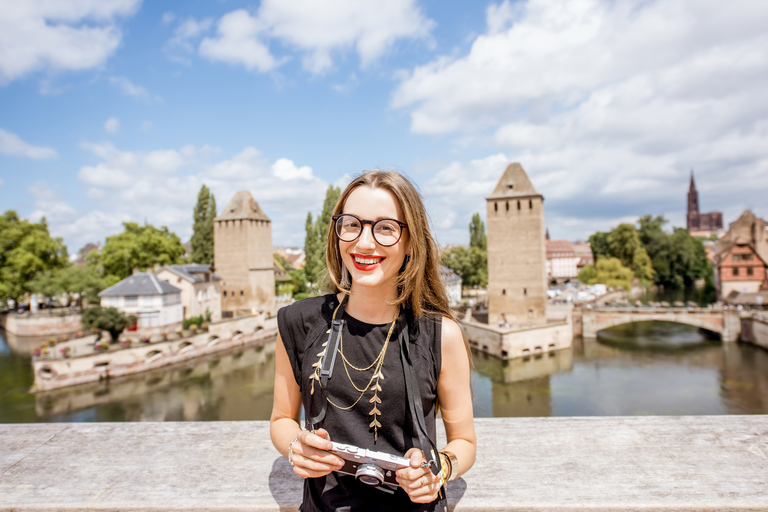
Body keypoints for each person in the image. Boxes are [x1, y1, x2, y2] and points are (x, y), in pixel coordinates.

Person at [270, 170, 476, 511]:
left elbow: (465, 442)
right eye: (352, 224)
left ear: (411, 242)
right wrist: (296, 446)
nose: (364, 243)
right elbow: (281, 420)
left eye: (385, 228)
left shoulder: (440, 335)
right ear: (337, 233)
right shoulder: (298, 322)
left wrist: (438, 470)